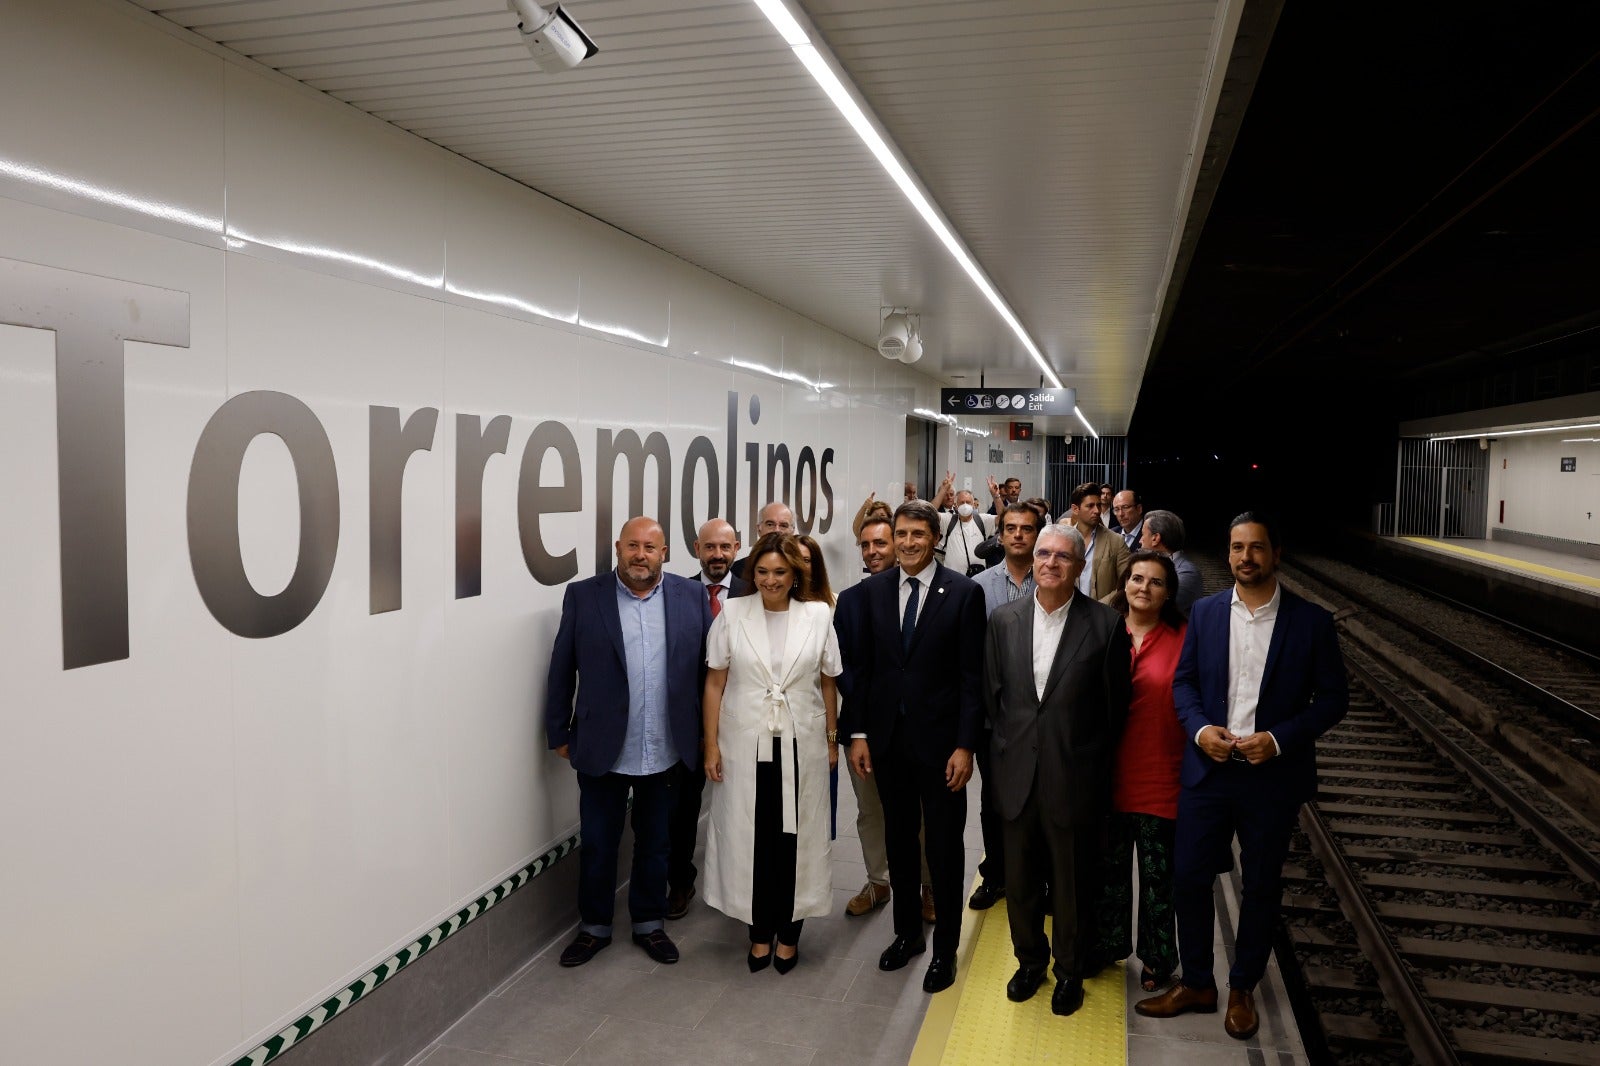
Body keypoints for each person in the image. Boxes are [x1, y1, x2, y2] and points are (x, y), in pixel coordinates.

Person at [1136, 512, 1348, 1040]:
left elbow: (1334, 700)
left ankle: (1243, 986)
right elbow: (1183, 685)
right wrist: (1199, 728)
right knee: (1188, 876)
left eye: (1255, 548)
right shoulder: (1205, 613)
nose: (1244, 557)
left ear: (1276, 553)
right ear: (1227, 553)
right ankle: (1199, 982)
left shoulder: (1311, 622)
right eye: (1236, 547)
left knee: (1260, 885)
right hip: (1209, 771)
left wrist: (1278, 739)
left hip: (1270, 776)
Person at [545, 516, 711, 968]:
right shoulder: (584, 595)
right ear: (617, 548)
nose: (641, 555)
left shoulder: (691, 596)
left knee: (656, 843)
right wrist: (558, 730)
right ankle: (594, 928)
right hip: (602, 746)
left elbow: (704, 673)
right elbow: (562, 665)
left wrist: (705, 736)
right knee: (599, 842)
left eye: (650, 547)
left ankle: (648, 924)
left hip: (666, 746)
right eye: (633, 546)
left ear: (665, 553)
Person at [839, 499, 987, 994]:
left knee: (943, 849)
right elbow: (859, 673)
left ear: (935, 538)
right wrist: (858, 734)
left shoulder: (963, 594)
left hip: (943, 748)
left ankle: (945, 948)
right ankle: (907, 935)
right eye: (899, 534)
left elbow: (972, 678)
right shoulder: (870, 593)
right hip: (887, 744)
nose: (905, 543)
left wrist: (966, 745)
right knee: (900, 845)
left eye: (916, 534)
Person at [982, 523, 1131, 1016]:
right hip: (1015, 777)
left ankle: (1069, 972)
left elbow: (1115, 711)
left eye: (1062, 556)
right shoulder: (1003, 620)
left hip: (1073, 778)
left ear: (1079, 565)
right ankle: (1029, 963)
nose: (1049, 562)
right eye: (1043, 553)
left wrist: (1089, 767)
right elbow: (994, 699)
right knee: (1020, 882)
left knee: (1071, 884)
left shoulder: (1106, 626)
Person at [701, 533, 841, 974]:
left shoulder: (818, 615)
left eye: (780, 572)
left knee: (795, 840)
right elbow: (715, 682)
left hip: (803, 745)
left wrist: (832, 739)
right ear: (751, 573)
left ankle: (791, 933)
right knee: (753, 839)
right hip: (745, 745)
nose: (770, 580)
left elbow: (828, 681)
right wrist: (710, 744)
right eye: (762, 572)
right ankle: (759, 932)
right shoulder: (733, 613)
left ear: (795, 574)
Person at [833, 515, 935, 920]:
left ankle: (928, 886)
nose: (873, 551)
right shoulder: (852, 600)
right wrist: (858, 730)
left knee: (920, 813)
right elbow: (846, 670)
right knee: (870, 810)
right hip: (866, 729)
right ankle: (878, 882)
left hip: (914, 730)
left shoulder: (929, 593)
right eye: (865, 545)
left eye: (881, 542)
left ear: (896, 544)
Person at [1094, 551, 1187, 992]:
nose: (1143, 588)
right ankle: (1109, 944)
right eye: (1135, 578)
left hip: (1160, 773)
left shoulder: (1186, 637)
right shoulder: (1101, 631)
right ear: (1123, 583)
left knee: (1157, 876)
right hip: (1107, 774)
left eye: (1155, 581)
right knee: (1108, 871)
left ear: (1168, 592)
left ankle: (1157, 957)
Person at [666, 519, 754, 921]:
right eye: (709, 548)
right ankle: (681, 882)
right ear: (696, 547)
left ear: (737, 547)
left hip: (742, 720)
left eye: (725, 547)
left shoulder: (755, 591)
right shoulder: (676, 593)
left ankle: (746, 882)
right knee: (683, 809)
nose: (717, 555)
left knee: (744, 806)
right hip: (689, 724)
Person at [965, 501, 1045, 911]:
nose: (1017, 535)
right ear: (998, 534)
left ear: (1038, 533)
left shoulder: (1054, 579)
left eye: (1026, 529)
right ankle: (995, 875)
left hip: (1041, 713)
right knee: (993, 800)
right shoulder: (980, 586)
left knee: (1040, 799)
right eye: (1010, 528)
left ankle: (1041, 881)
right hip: (993, 714)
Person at [1069, 481, 1129, 601]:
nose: (1097, 511)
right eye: (1090, 506)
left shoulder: (1116, 541)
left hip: (1103, 613)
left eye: (1099, 505)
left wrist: (1101, 608)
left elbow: (1127, 585)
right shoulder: (1064, 540)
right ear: (1076, 509)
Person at [1141, 509, 1203, 618]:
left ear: (1155, 538)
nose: (1140, 540)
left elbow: (1156, 608)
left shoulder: (1188, 573)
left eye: (1143, 534)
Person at [935, 489, 994, 577]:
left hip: (978, 577)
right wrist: (942, 490)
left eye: (968, 502)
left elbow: (1003, 518)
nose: (965, 505)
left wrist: (996, 496)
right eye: (962, 502)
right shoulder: (948, 520)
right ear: (956, 505)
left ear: (973, 505)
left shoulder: (983, 520)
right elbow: (928, 513)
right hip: (952, 578)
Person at [732, 501, 795, 580]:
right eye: (770, 524)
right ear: (759, 529)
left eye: (783, 525)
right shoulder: (738, 570)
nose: (776, 530)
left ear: (792, 531)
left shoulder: (801, 568)